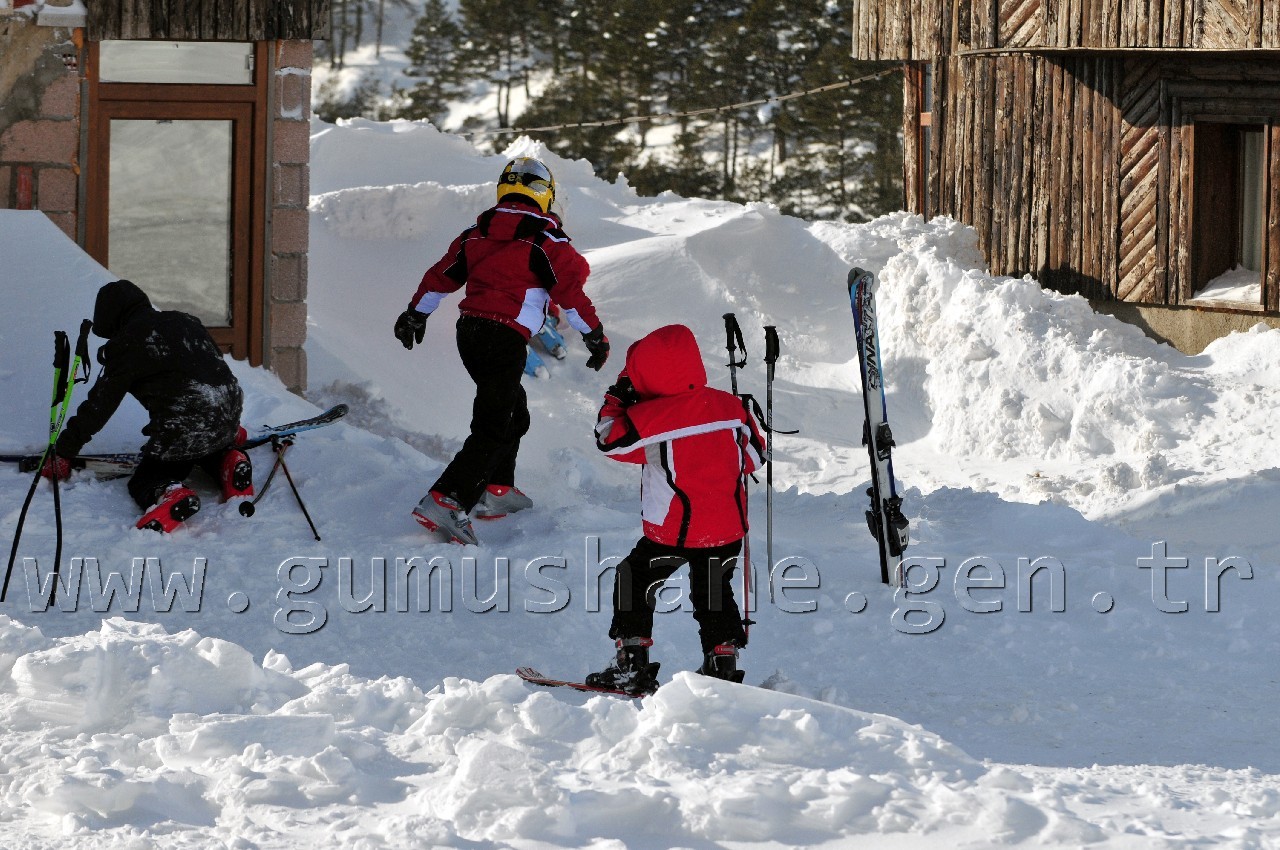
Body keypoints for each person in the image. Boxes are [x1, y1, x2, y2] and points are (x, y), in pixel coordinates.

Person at [395, 156, 610, 545]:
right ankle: (447, 499)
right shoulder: (546, 240)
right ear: (545, 195)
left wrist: (415, 314)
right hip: (504, 336)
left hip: (471, 333)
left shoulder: (476, 234)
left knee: (513, 412)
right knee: (494, 422)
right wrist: (594, 335)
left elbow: (440, 277)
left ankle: (497, 489)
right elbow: (571, 293)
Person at [587, 323, 766, 694]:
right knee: (714, 591)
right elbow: (755, 455)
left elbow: (609, 439)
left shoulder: (650, 421)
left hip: (675, 531)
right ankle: (723, 662)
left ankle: (631, 664)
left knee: (634, 580)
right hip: (728, 527)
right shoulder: (730, 407)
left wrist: (618, 397)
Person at [43, 280, 253, 533]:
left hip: (187, 425)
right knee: (202, 447)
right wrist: (227, 425)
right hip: (228, 411)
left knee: (146, 479)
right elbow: (212, 370)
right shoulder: (186, 321)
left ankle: (170, 494)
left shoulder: (128, 344)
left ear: (112, 317)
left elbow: (99, 406)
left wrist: (65, 451)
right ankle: (227, 460)